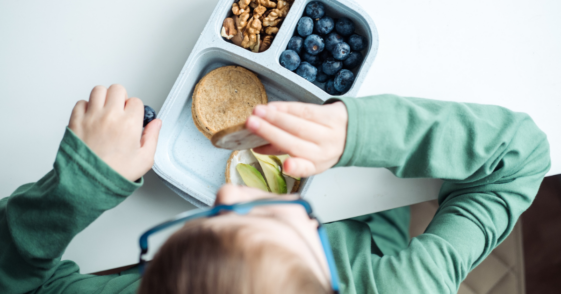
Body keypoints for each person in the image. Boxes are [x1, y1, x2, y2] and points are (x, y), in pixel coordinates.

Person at [0, 84, 550, 294]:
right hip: (375, 214)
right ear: (324, 267)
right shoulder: (407, 284)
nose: (223, 196)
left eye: (204, 231)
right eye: (255, 220)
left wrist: (80, 184)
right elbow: (520, 157)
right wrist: (357, 132)